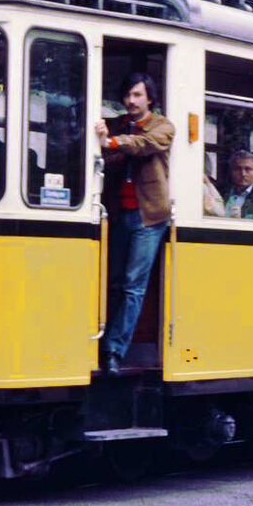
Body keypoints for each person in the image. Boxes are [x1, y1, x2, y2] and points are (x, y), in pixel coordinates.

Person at [96, 72, 174, 375]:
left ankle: (115, 350)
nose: (131, 101)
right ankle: (103, 341)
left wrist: (111, 141)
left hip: (148, 216)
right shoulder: (117, 124)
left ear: (149, 98)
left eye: (137, 95)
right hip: (118, 213)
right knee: (113, 280)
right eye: (128, 95)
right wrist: (105, 139)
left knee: (132, 286)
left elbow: (144, 144)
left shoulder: (163, 126)